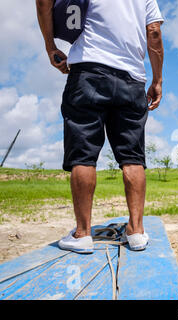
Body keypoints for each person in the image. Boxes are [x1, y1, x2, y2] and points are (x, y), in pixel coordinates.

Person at [35, 0, 164, 253]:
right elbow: (154, 33)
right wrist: (157, 79)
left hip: (89, 70)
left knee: (84, 154)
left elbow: (43, 2)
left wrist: (50, 45)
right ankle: (136, 232)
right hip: (132, 79)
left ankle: (82, 234)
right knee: (132, 157)